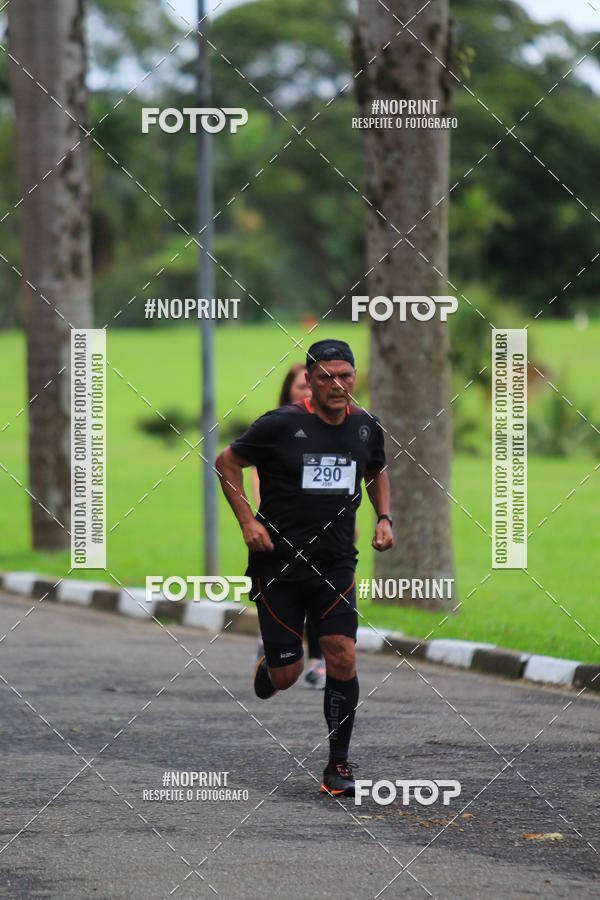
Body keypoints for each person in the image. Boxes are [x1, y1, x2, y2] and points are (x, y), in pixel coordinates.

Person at [216, 339, 393, 797]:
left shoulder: (366, 426)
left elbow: (375, 469)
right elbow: (226, 462)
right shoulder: (280, 424)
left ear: (355, 377)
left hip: (335, 562)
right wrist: (248, 522)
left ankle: (338, 766)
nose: (337, 385)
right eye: (326, 377)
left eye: (345, 376)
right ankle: (271, 669)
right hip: (278, 564)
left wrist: (384, 518)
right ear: (310, 381)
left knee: (342, 653)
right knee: (288, 674)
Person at [251, 363, 326, 690]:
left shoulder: (333, 426)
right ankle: (273, 643)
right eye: (301, 386)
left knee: (323, 591)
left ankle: (318, 661)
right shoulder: (274, 426)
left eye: (312, 385)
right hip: (279, 530)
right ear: (288, 391)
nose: (309, 392)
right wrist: (262, 516)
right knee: (283, 589)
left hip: (322, 530)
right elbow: (255, 472)